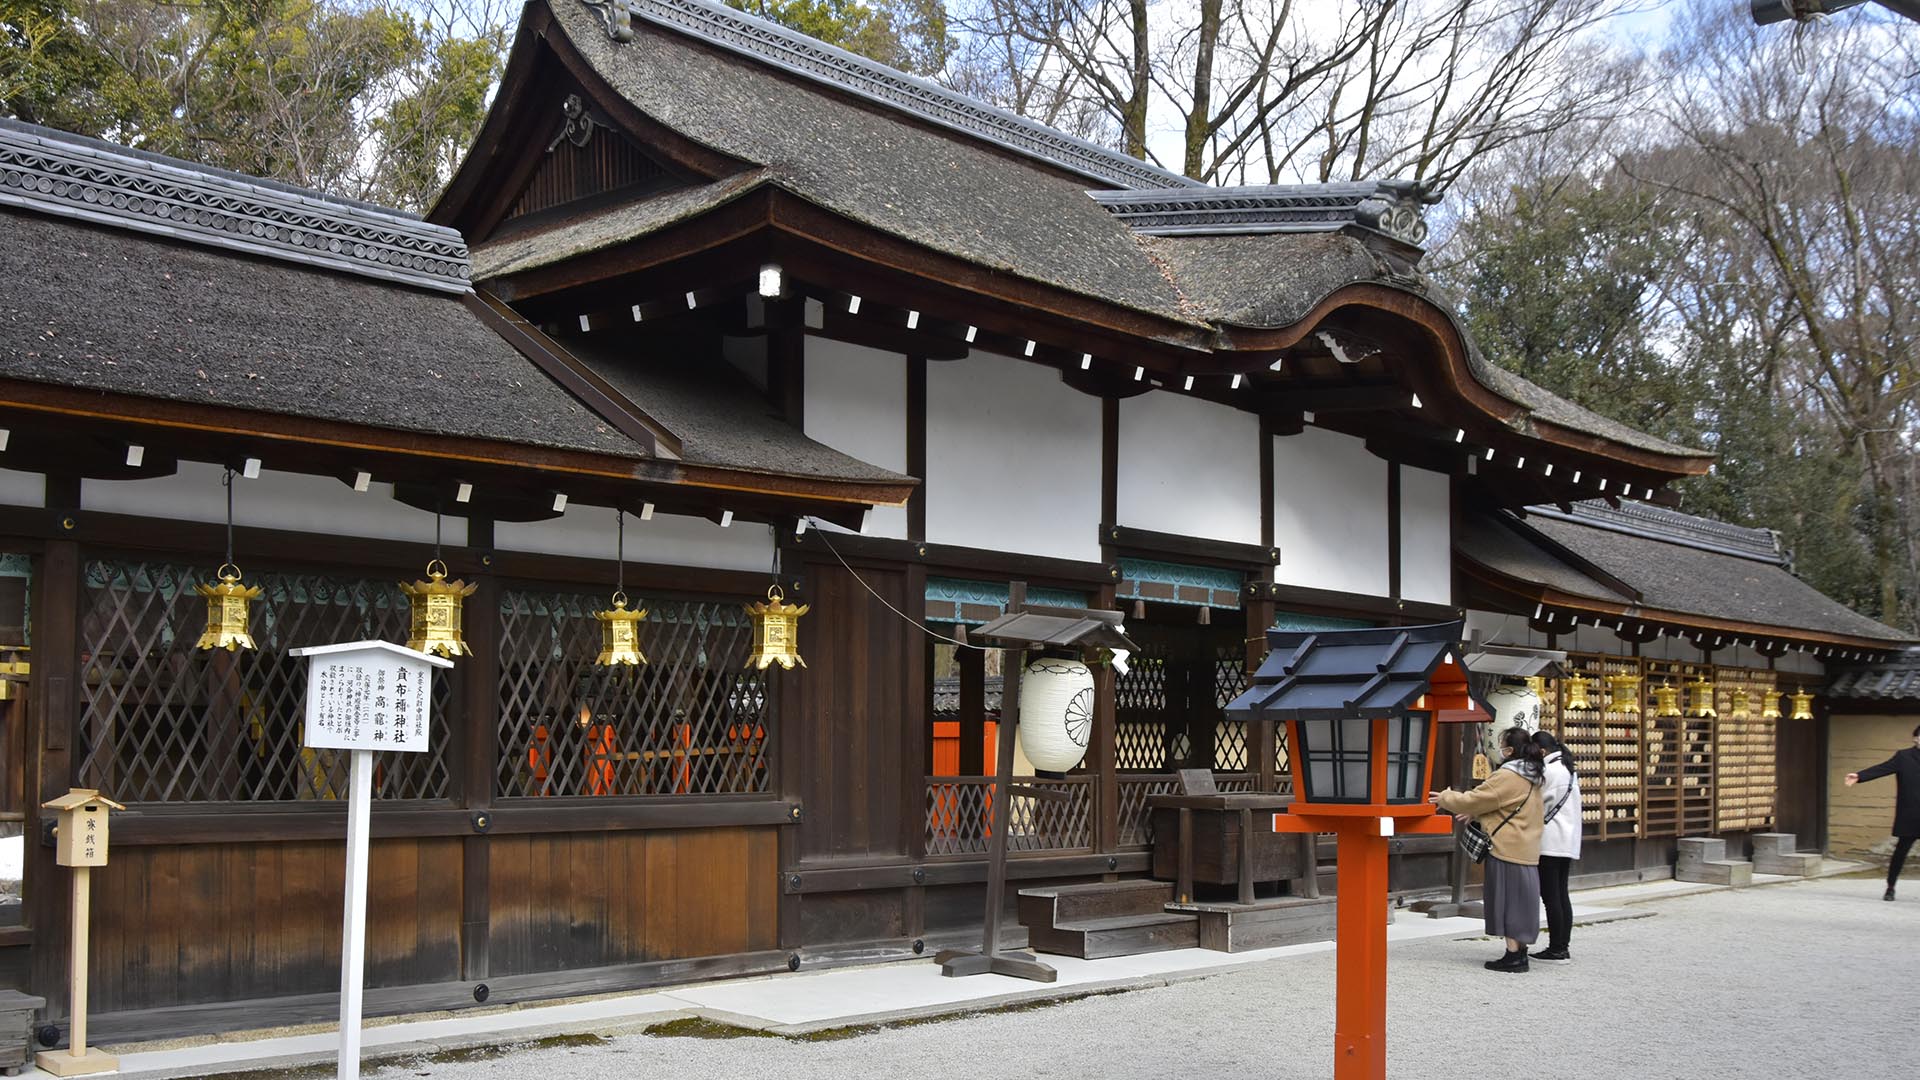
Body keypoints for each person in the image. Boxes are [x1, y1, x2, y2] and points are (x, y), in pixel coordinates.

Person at [1430, 725, 1545, 972]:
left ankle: (1513, 955)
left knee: (1507, 902)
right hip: (1526, 848)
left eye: (1500, 743)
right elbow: (1506, 808)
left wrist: (1446, 798)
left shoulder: (1508, 776)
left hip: (1507, 848)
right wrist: (1477, 815)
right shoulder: (1532, 775)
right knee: (1522, 903)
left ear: (1509, 749)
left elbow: (1476, 798)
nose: (1497, 748)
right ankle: (1520, 951)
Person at [1843, 723, 1920, 901]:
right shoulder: (1904, 757)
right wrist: (1860, 776)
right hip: (1910, 812)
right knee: (1901, 851)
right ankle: (1890, 887)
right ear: (1915, 738)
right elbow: (1882, 768)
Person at [1531, 729, 1581, 963]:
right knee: (1561, 894)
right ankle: (1562, 945)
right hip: (1567, 839)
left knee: (1551, 897)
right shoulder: (1568, 770)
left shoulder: (1549, 771)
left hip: (1551, 840)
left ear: (1541, 751)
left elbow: (1533, 802)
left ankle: (1557, 948)